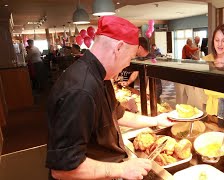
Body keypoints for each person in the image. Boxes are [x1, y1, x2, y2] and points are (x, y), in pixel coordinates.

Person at [46, 16, 174, 180]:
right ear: (119, 48)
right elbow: (63, 169)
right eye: (130, 57)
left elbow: (117, 114)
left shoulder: (101, 76)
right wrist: (121, 170)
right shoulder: (81, 90)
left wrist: (156, 121)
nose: (128, 64)